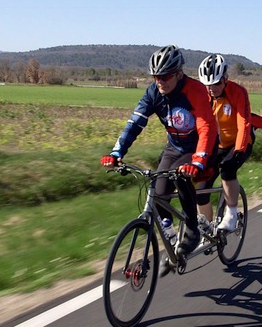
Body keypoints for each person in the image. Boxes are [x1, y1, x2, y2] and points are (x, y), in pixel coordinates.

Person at [100, 45, 218, 257]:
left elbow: (206, 126)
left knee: (180, 176)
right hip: (174, 146)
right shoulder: (154, 92)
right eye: (156, 77)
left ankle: (192, 229)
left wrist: (198, 161)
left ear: (178, 73)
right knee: (159, 191)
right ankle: (170, 233)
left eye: (165, 77)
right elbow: (135, 123)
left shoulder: (195, 91)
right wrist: (117, 153)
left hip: (197, 146)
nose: (160, 82)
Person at [195, 54, 253, 232]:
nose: (212, 88)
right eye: (207, 85)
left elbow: (244, 124)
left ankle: (232, 214)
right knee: (201, 188)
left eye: (216, 84)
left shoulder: (238, 92)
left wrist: (239, 150)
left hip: (239, 141)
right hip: (216, 145)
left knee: (228, 169)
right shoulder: (202, 95)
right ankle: (207, 229)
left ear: (225, 79)